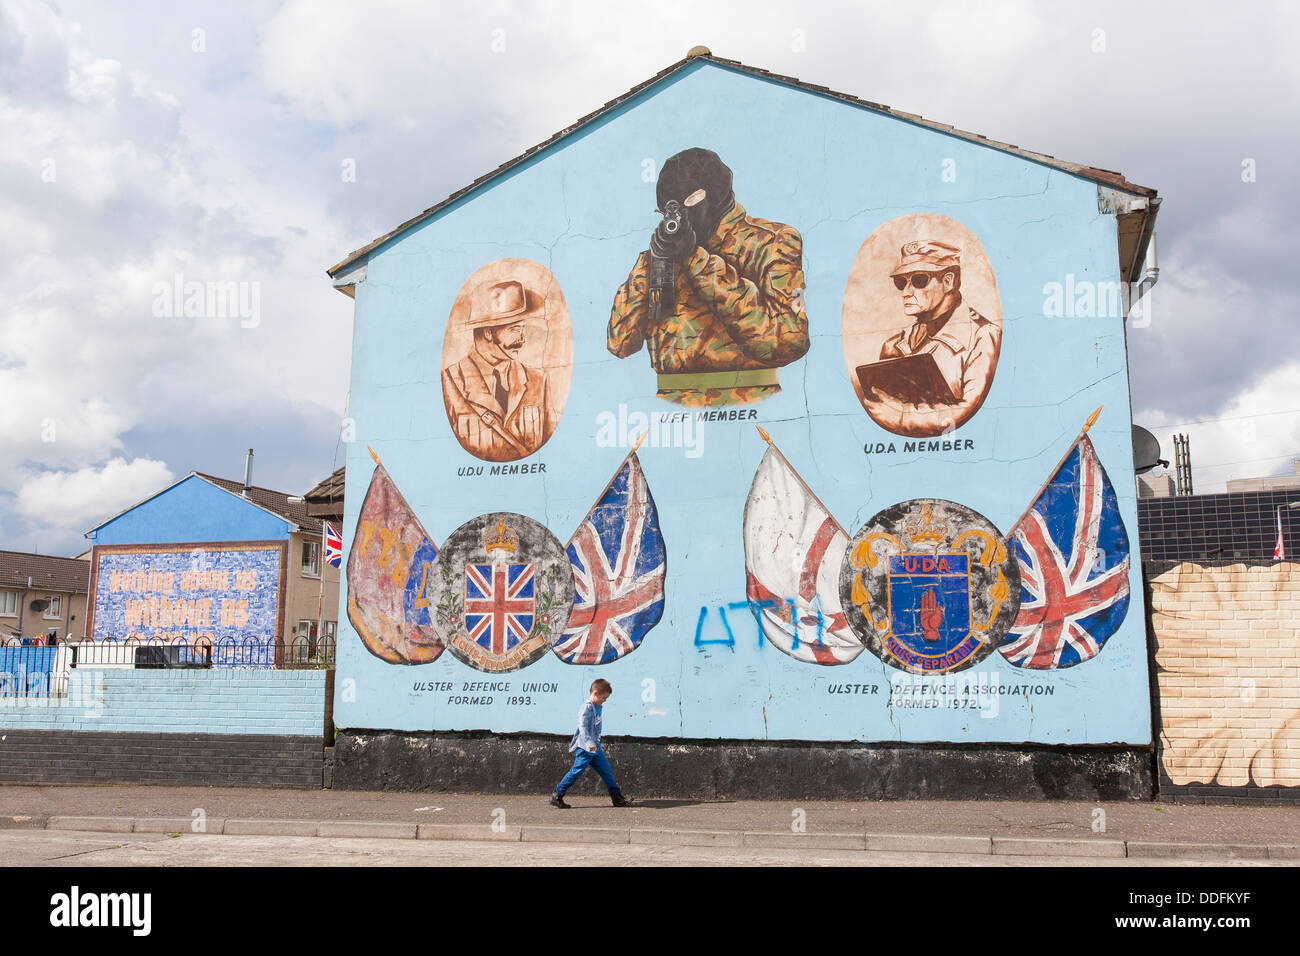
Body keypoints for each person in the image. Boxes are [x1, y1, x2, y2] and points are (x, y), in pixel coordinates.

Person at [608, 148, 809, 407]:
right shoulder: (664, 254)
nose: (676, 218)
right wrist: (651, 265)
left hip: (750, 401)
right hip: (672, 408)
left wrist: (697, 260)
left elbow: (787, 341)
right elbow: (620, 343)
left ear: (710, 196)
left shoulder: (770, 242)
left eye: (684, 206)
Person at [860, 240, 1000, 437]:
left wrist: (901, 416)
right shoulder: (894, 344)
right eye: (901, 282)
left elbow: (970, 410)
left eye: (919, 280)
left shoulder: (982, 336)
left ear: (948, 281)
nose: (906, 292)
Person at [442, 278, 555, 461]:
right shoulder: (450, 382)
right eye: (514, 330)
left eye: (523, 330)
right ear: (487, 332)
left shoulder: (538, 380)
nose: (522, 339)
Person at [550, 678, 631, 808]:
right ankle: (557, 794)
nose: (605, 700)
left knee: (607, 771)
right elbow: (582, 727)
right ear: (595, 693)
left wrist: (595, 744)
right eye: (603, 698)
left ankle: (617, 798)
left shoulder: (597, 706)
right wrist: (589, 743)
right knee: (576, 771)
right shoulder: (586, 708)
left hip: (595, 747)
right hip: (585, 747)